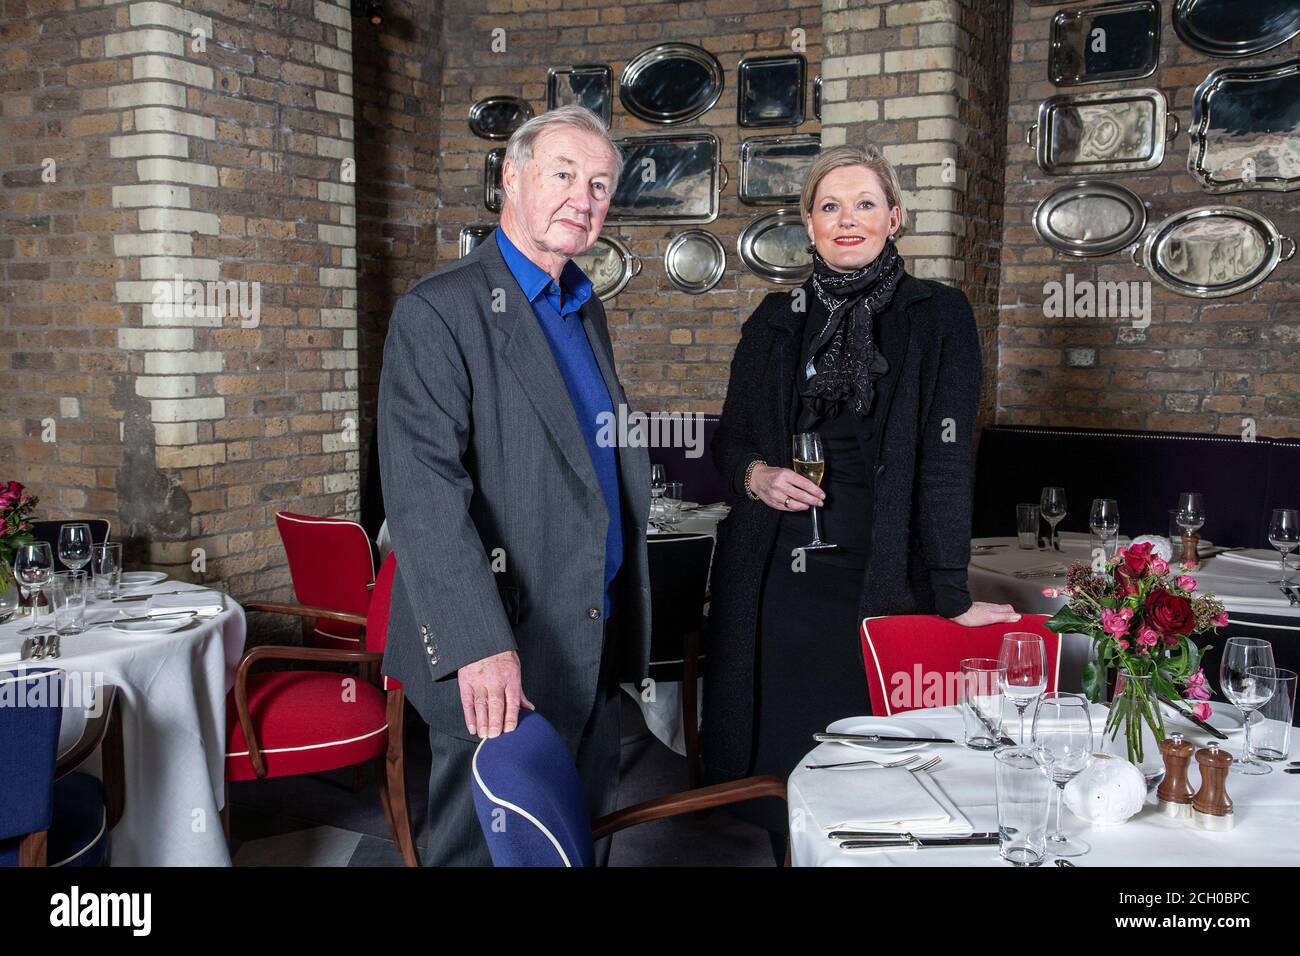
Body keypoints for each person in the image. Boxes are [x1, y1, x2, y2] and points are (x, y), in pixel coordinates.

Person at [700, 143, 1020, 850]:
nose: (848, 220)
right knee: (781, 762)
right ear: (809, 224)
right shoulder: (774, 319)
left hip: (880, 576)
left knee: (876, 770)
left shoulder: (937, 315)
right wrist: (755, 475)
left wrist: (949, 593)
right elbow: (731, 441)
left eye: (865, 204)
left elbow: (945, 464)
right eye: (830, 206)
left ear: (894, 218)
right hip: (776, 579)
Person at [378, 105, 652, 866]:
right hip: (503, 649)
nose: (582, 198)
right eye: (563, 174)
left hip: (592, 632)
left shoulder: (584, 305)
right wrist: (479, 646)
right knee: (485, 854)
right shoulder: (439, 309)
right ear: (512, 177)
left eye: (599, 185)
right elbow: (424, 498)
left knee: (575, 847)